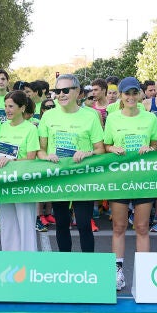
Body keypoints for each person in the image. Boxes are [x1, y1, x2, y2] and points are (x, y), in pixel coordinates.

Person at [103, 77, 157, 290]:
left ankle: (145, 274)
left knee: (142, 227)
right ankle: (117, 272)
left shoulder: (150, 118)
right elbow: (106, 145)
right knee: (119, 226)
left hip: (143, 178)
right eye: (127, 93)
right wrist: (112, 149)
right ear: (121, 95)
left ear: (141, 94)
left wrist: (150, 149)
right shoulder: (112, 118)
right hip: (120, 178)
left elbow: (154, 144)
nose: (131, 97)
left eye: (135, 93)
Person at [38, 74, 104, 253]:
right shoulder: (48, 116)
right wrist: (46, 156)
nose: (61, 94)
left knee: (83, 224)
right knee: (61, 224)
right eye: (58, 91)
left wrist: (88, 153)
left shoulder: (91, 116)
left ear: (78, 92)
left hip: (83, 177)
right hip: (59, 177)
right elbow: (40, 150)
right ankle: (64, 263)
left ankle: (87, 265)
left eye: (66, 90)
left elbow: (100, 149)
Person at [0, 90, 40, 253]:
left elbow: (31, 158)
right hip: (5, 183)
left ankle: (28, 262)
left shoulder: (31, 129)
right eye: (6, 106)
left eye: (11, 106)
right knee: (7, 225)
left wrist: (12, 161)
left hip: (23, 184)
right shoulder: (2, 127)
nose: (7, 110)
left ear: (22, 108)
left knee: (26, 225)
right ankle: (10, 260)